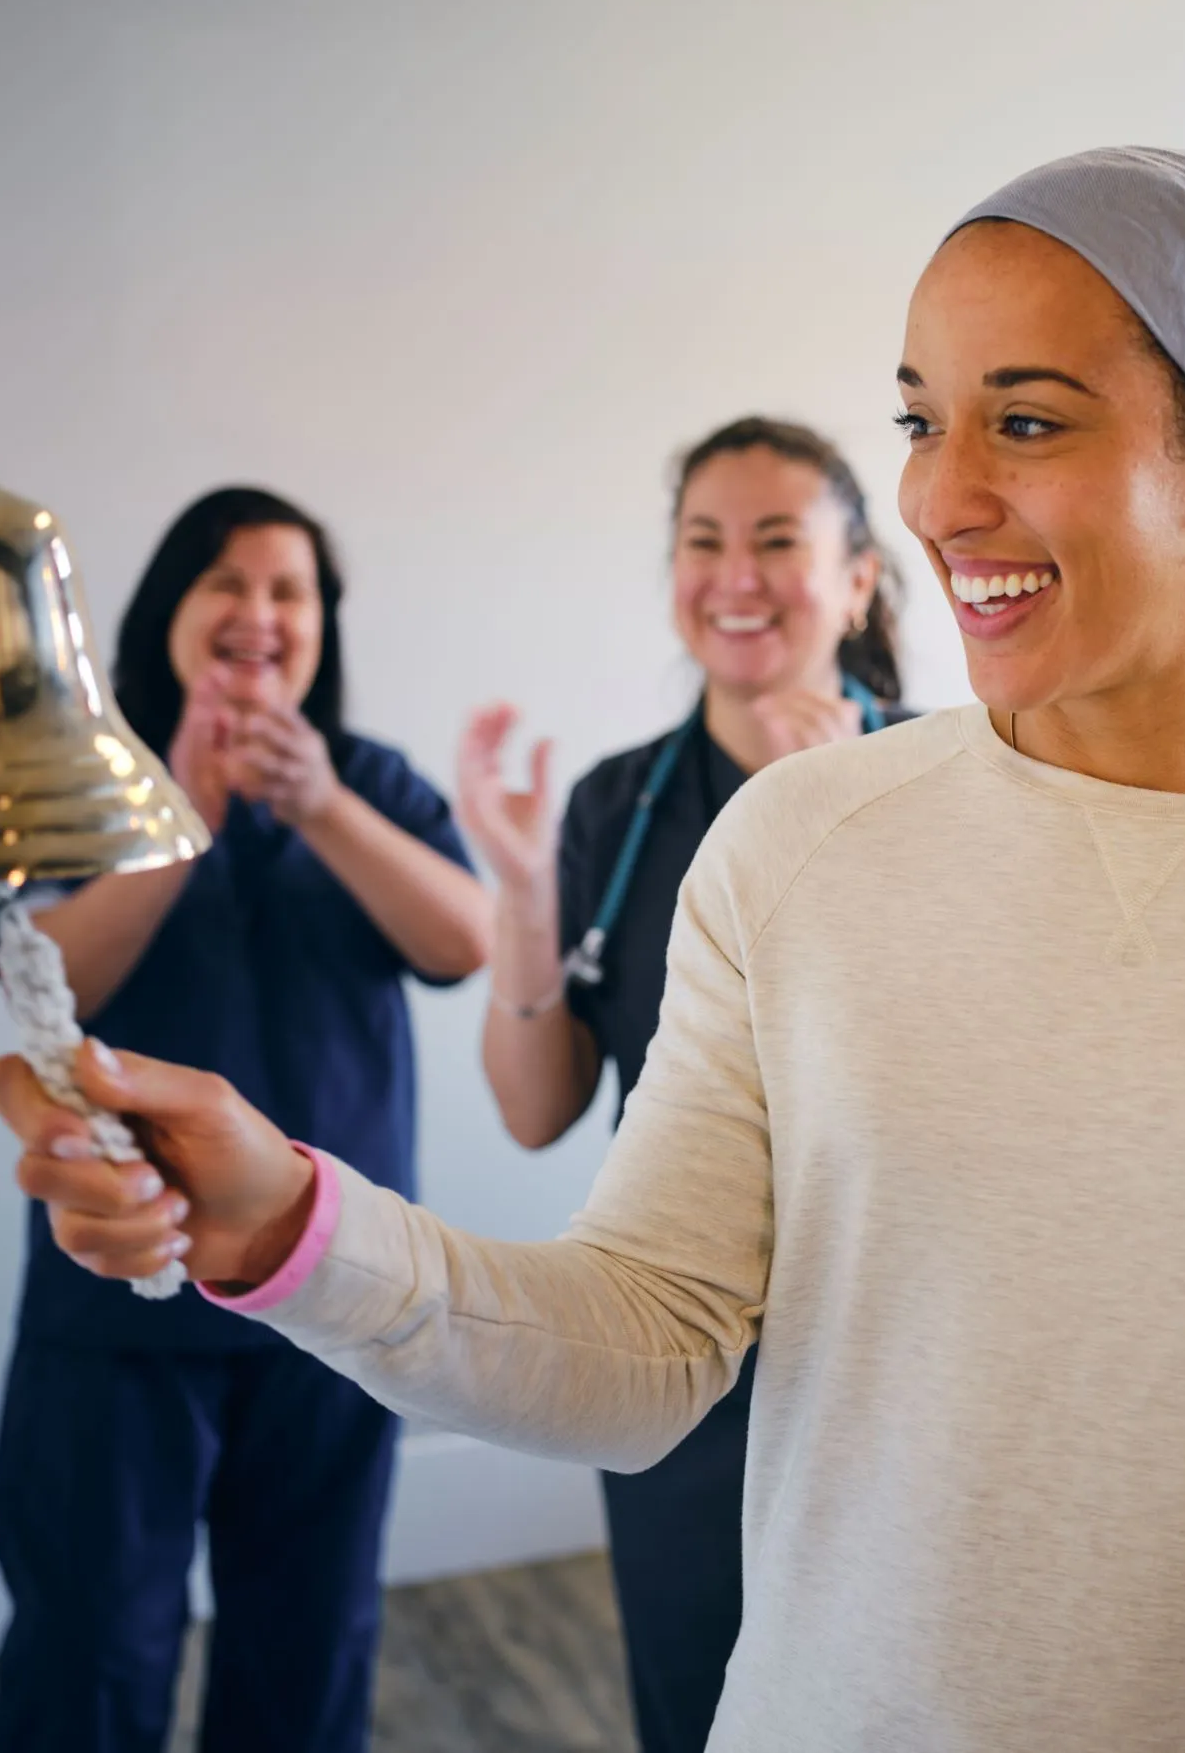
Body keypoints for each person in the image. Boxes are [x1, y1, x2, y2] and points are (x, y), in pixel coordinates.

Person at [0, 150, 1185, 1749]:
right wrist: (287, 1218)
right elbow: (640, 1339)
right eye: (922, 419)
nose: (935, 496)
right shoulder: (799, 850)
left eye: (1028, 421)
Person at [0, 486, 493, 1753]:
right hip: (118, 1300)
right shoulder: (85, 780)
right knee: (90, 1645)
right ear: (172, 611)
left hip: (331, 1298)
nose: (260, 612)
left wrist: (315, 802)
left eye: (289, 590)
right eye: (230, 583)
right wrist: (185, 811)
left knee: (307, 1644)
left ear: (321, 627)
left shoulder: (368, 782)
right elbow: (39, 979)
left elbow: (464, 941)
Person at [452, 416, 908, 1753]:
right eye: (705, 540)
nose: (737, 574)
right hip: (683, 1359)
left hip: (897, 1343)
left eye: (779, 540)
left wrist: (824, 815)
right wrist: (524, 890)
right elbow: (537, 1107)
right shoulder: (615, 803)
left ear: (860, 578)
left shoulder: (947, 781)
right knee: (697, 1699)